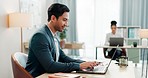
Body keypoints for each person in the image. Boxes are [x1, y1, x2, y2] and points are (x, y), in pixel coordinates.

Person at [25, 3, 99, 77]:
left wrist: (85, 63)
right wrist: (79, 66)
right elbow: (50, 66)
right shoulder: (40, 36)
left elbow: (63, 58)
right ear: (53, 18)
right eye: (64, 20)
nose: (66, 24)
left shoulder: (53, 35)